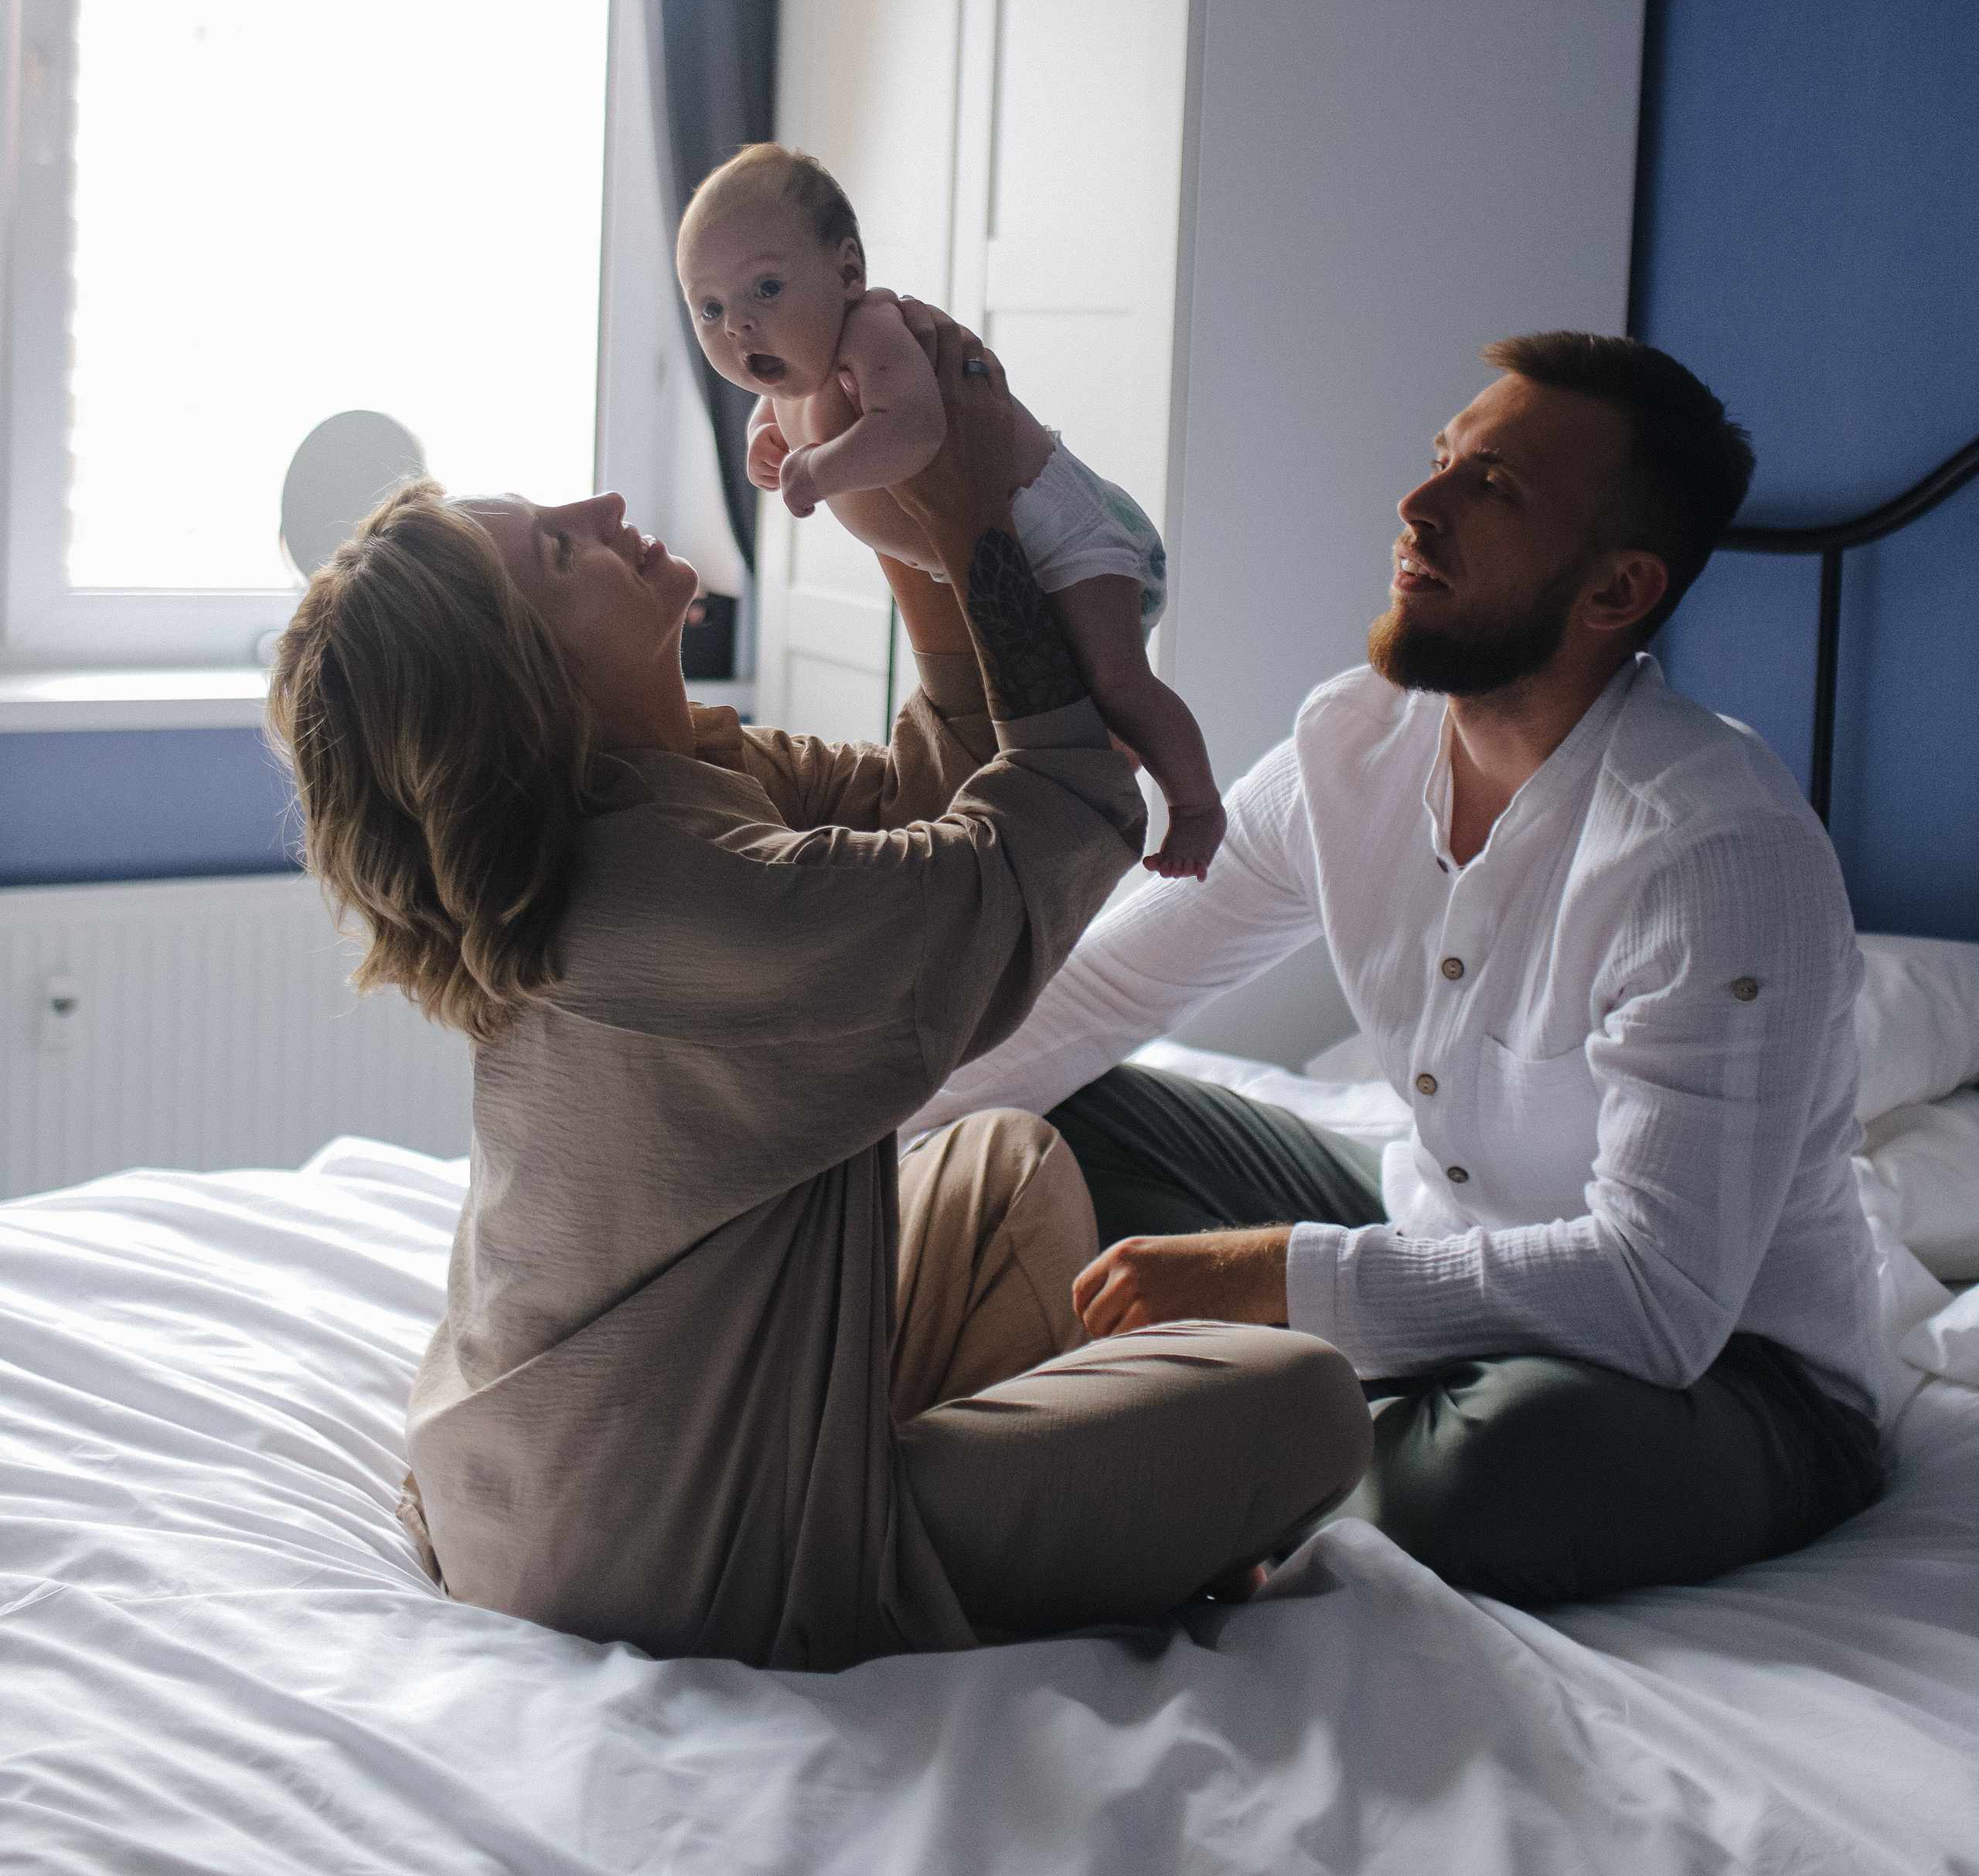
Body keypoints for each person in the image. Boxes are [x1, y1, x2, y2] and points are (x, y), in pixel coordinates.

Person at [264, 317, 1370, 1671]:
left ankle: (1027, 1502)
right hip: (678, 1559)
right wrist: (974, 523)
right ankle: (944, 1561)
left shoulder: (637, 790)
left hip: (556, 1462)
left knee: (1004, 1168)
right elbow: (1043, 834)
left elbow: (931, 790)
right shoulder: (671, 905)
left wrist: (897, 528)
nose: (604, 505)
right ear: (530, 686)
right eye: (561, 544)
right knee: (1309, 1405)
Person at [909, 332, 1885, 1612]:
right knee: (1027, 1121)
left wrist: (1269, 1275)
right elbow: (1101, 996)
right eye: (1442, 461)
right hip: (1430, 1233)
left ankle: (1137, 1473)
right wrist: (836, 1155)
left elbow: (1659, 1297)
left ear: (1617, 590)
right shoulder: (1355, 745)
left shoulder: (1711, 855)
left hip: (1724, 1378)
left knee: (1492, 1470)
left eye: (1495, 490)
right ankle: (1171, 1446)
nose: (1416, 507)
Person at [676, 141, 1225, 878]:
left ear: (847, 273)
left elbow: (914, 429)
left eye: (765, 289)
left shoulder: (872, 332)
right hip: (982, 560)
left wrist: (817, 469)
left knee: (1116, 685)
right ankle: (1114, 749)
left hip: (1071, 535)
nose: (738, 326)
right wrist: (764, 449)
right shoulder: (786, 374)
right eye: (710, 308)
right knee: (1040, 712)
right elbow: (769, 422)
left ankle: (1196, 804)